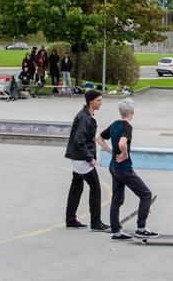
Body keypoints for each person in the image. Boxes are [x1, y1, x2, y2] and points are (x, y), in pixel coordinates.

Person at [98, 98, 157, 241]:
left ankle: (116, 232)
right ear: (132, 112)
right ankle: (141, 228)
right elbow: (122, 142)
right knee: (146, 195)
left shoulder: (114, 124)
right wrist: (124, 153)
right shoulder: (127, 127)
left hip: (113, 166)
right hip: (124, 168)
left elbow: (99, 138)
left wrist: (111, 152)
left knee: (117, 199)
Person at [64, 90, 110, 232]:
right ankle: (96, 223)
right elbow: (80, 140)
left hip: (77, 158)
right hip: (82, 159)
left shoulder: (85, 115)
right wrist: (89, 158)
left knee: (76, 186)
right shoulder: (85, 118)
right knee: (95, 188)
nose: (101, 103)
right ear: (91, 101)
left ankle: (70, 219)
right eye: (98, 100)